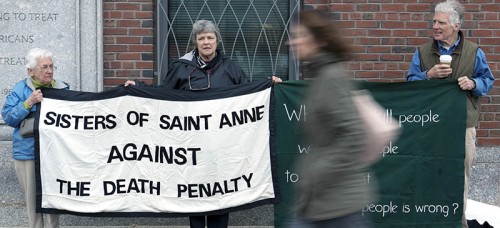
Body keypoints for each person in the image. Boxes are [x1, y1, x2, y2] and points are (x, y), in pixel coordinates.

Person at [125, 19, 281, 228]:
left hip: (222, 149)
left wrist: (269, 85)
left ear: (217, 41)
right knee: (195, 198)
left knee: (221, 197)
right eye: (201, 38)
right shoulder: (182, 68)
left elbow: (248, 96)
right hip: (192, 148)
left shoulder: (230, 67)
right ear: (195, 42)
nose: (206, 42)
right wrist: (139, 88)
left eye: (210, 37)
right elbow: (162, 94)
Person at [406, 1, 494, 227]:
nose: (435, 26)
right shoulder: (423, 52)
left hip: (462, 127)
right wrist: (428, 75)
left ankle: (457, 224)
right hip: (430, 126)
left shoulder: (474, 52)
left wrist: (473, 82)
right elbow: (409, 85)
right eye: (434, 21)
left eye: (441, 22)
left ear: (456, 26)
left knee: (458, 181)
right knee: (429, 178)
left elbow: (487, 81)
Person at [286, 10, 375, 228]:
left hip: (338, 206)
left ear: (321, 40)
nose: (292, 42)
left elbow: (354, 135)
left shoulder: (331, 77)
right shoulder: (320, 75)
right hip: (321, 202)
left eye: (300, 36)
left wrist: (317, 172)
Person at [2, 48, 70, 228]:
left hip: (55, 154)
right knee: (33, 203)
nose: (49, 71)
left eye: (51, 66)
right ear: (30, 71)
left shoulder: (62, 88)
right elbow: (8, 117)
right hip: (28, 154)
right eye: (44, 67)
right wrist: (29, 102)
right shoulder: (20, 89)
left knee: (54, 200)